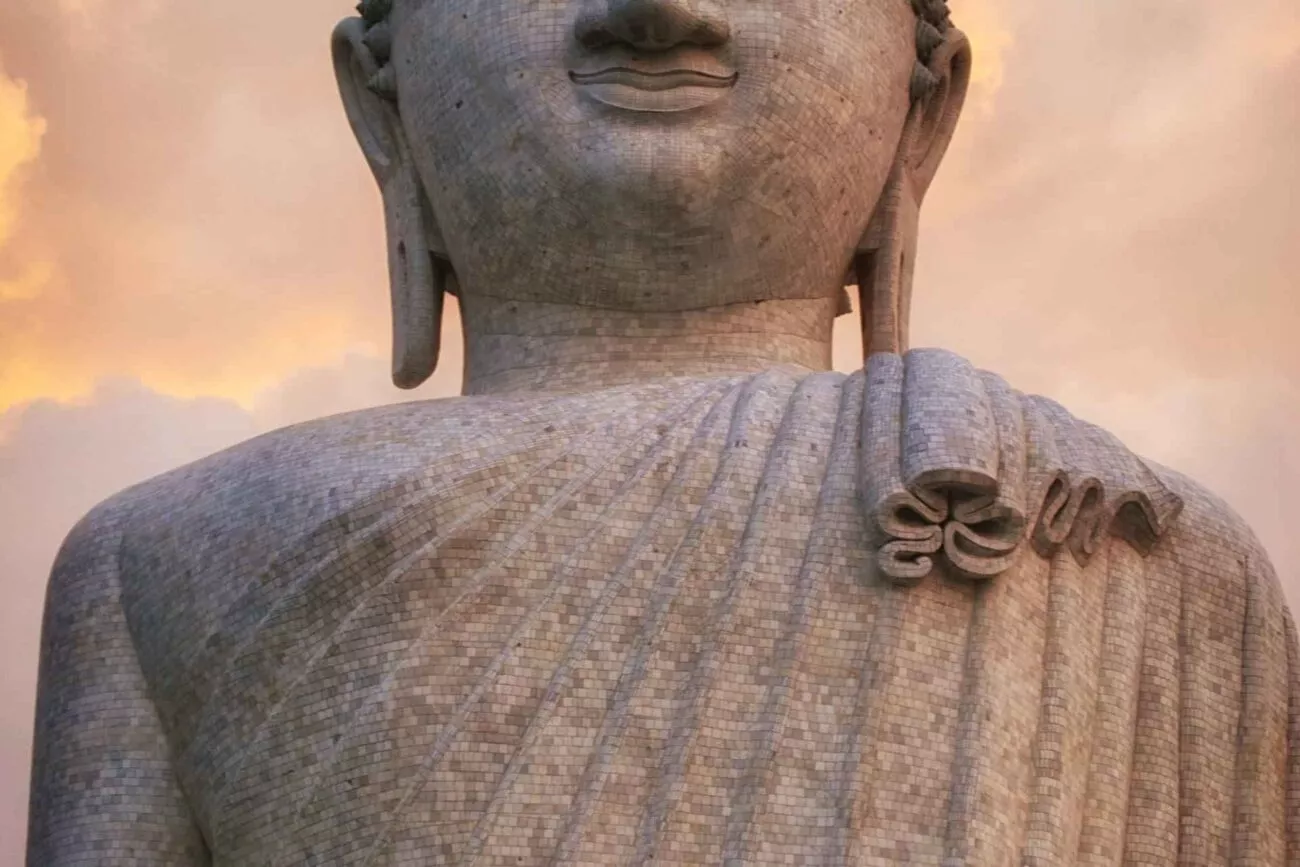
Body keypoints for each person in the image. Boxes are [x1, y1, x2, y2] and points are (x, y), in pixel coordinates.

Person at [28, 0, 1299, 864]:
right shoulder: (159, 560)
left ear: (921, 111)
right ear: (385, 93)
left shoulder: (1121, 548)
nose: (654, 4)